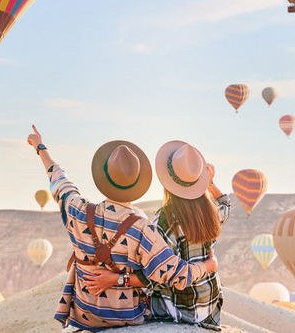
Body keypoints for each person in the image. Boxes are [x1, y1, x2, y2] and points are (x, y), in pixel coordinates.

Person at [26, 126, 218, 332]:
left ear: (103, 176)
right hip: (127, 318)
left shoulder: (76, 209)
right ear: (138, 182)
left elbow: (59, 180)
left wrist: (40, 147)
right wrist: (210, 265)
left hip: (85, 315)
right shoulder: (143, 229)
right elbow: (179, 276)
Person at [85, 141, 230, 330]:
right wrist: (209, 184)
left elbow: (152, 277)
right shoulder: (211, 211)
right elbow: (225, 205)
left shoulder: (166, 221)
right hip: (209, 305)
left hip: (178, 309)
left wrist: (114, 279)